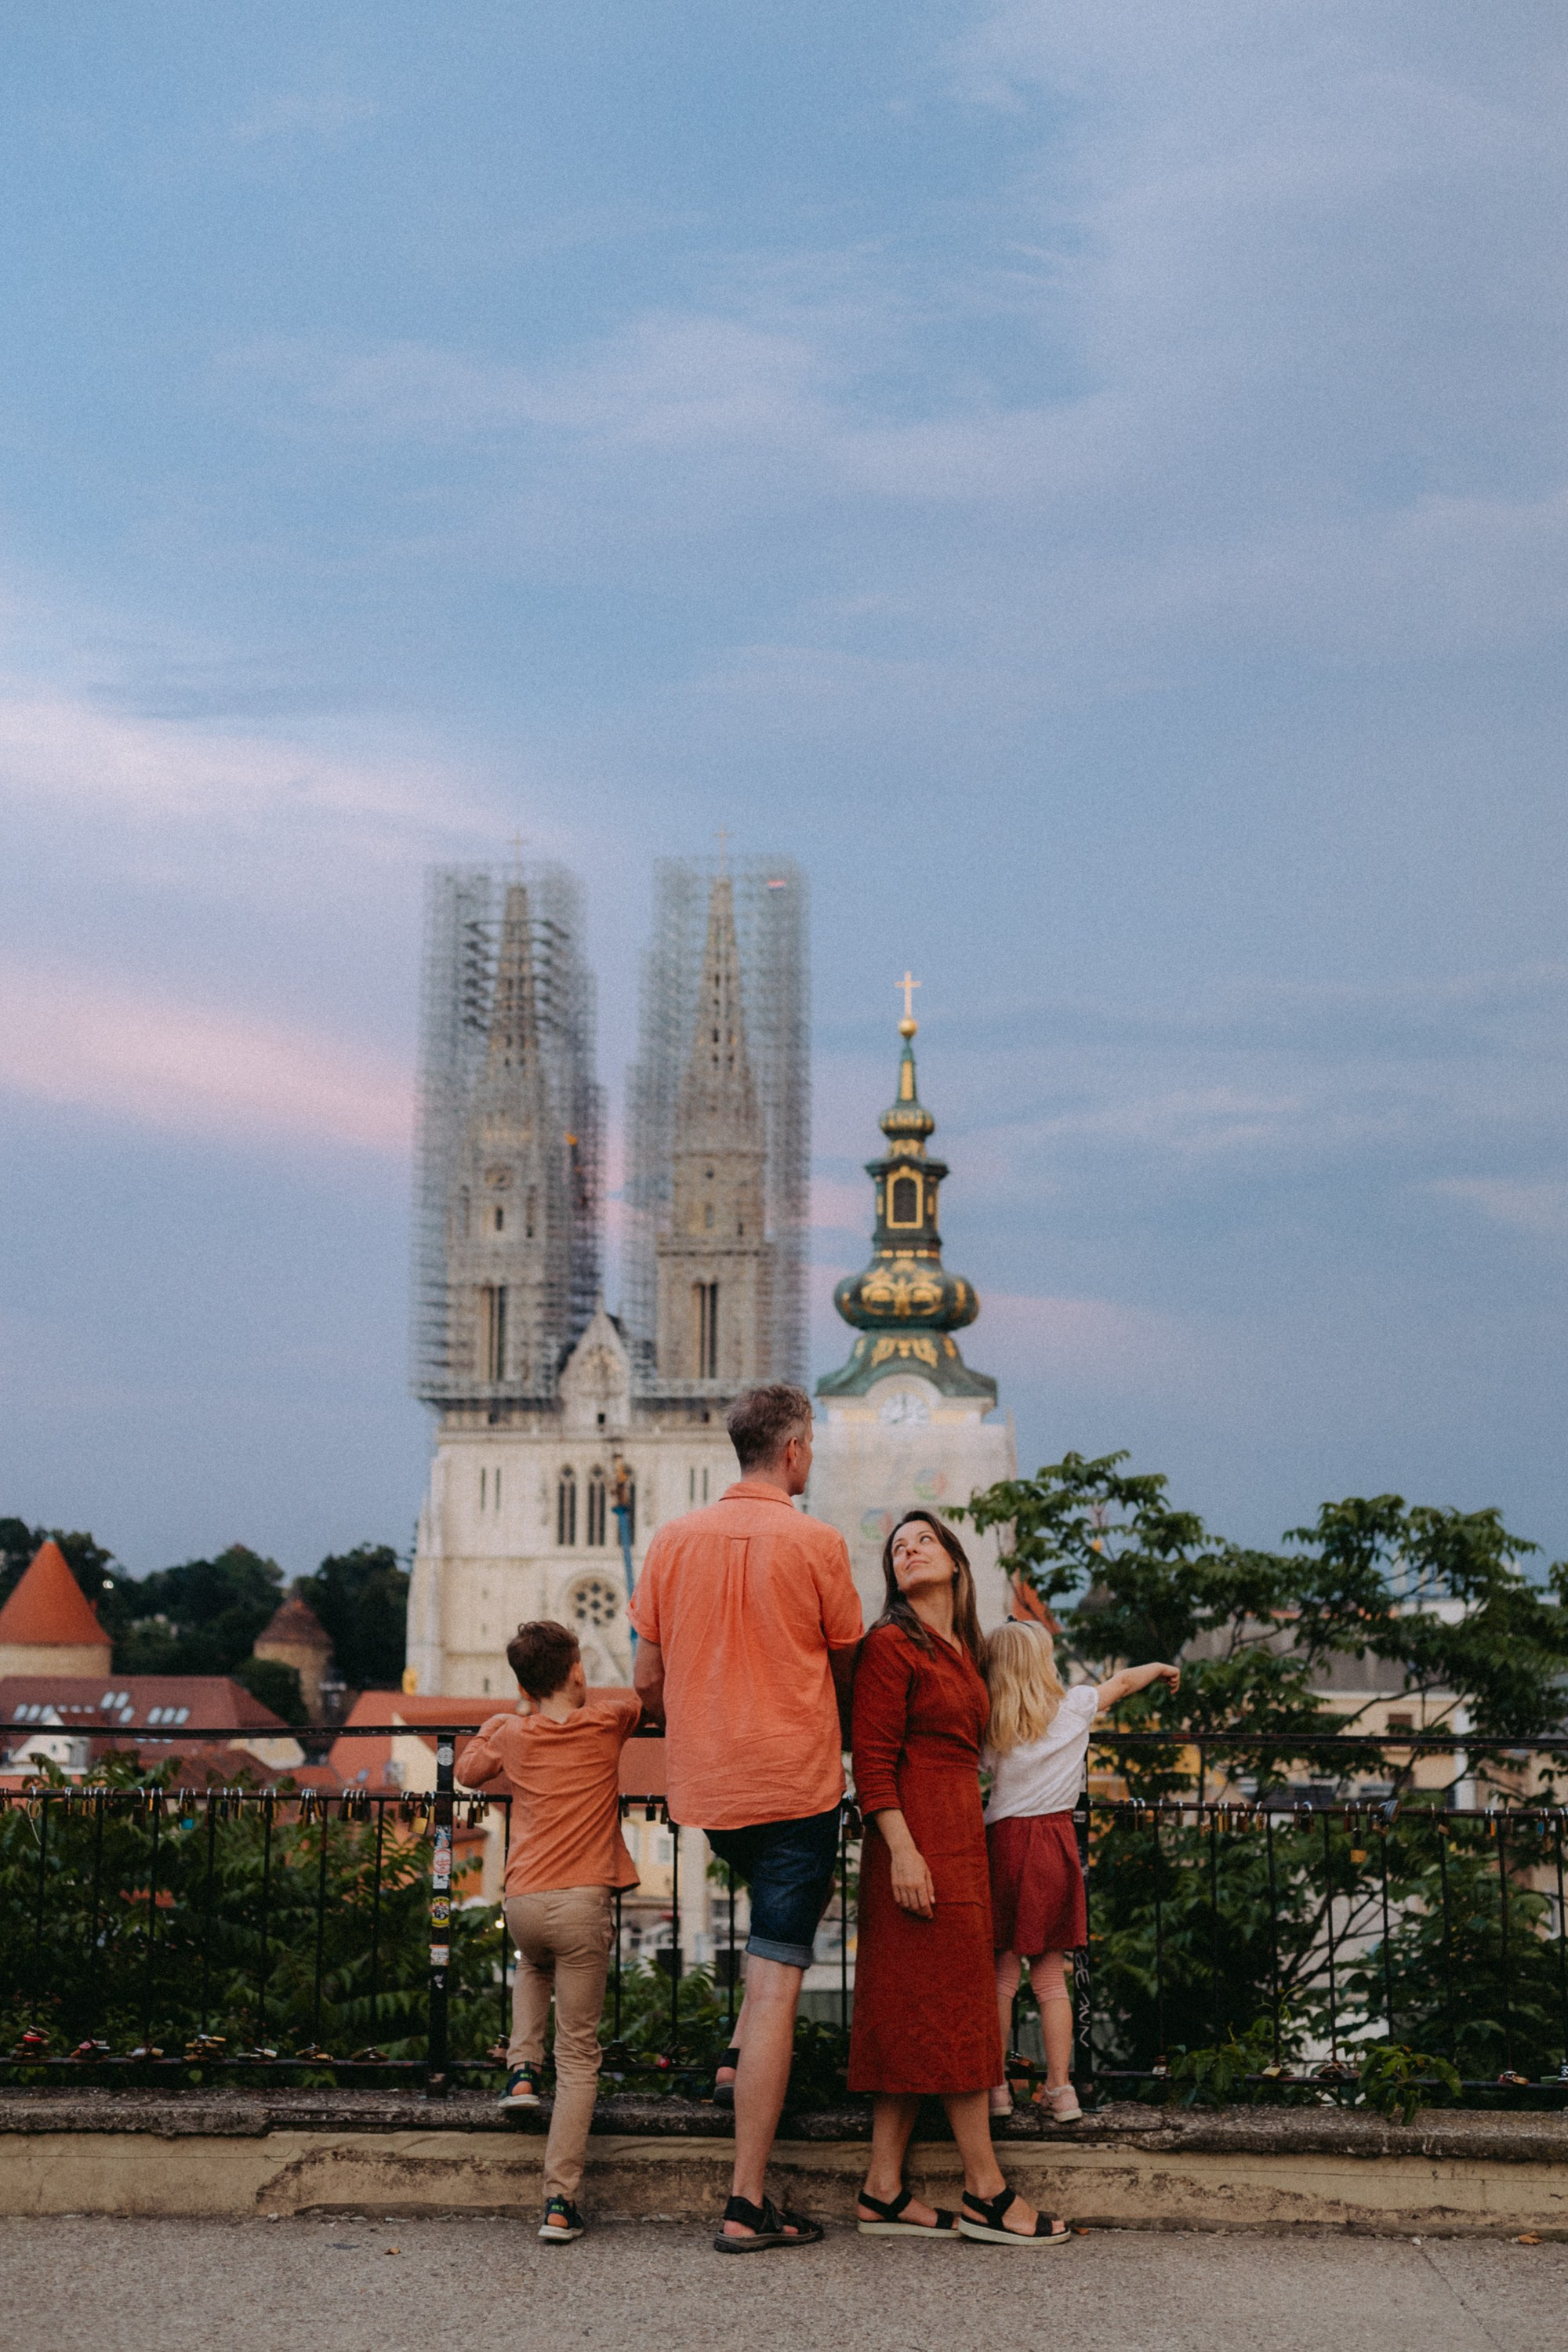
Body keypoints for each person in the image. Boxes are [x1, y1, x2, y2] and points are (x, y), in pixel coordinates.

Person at [629, 1382, 863, 2253]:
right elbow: (848, 1666)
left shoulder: (670, 1540)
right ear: (793, 1450)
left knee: (779, 1913)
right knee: (775, 1988)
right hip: (795, 1787)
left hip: (711, 1793)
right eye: (811, 1447)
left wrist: (689, 1721)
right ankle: (746, 2201)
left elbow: (646, 1680)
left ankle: (732, 2059)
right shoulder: (817, 1542)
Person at [848, 1510, 1070, 2248]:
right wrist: (904, 1852)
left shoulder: (965, 1650)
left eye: (924, 1541)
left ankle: (883, 2190)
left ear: (954, 1562)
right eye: (898, 1548)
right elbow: (872, 1760)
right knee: (957, 2012)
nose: (909, 1550)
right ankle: (985, 2190)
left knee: (920, 2012)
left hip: (959, 1840)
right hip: (916, 1845)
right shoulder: (890, 1645)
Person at [456, 1619, 641, 2245]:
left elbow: (468, 1771)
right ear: (578, 1671)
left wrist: (501, 1720)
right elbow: (649, 1702)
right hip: (583, 1902)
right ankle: (560, 2202)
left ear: (522, 1686)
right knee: (581, 2057)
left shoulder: (513, 1733)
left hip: (525, 1901)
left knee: (532, 1965)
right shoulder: (609, 1720)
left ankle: (521, 2071)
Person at [984, 1620, 1180, 2121]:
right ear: (1044, 1663)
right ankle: (1062, 2089)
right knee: (1051, 1979)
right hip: (1054, 1844)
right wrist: (1159, 1667)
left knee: (1002, 1976)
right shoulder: (1073, 1708)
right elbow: (1123, 1683)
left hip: (1004, 1846)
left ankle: (996, 2089)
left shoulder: (992, 1723)